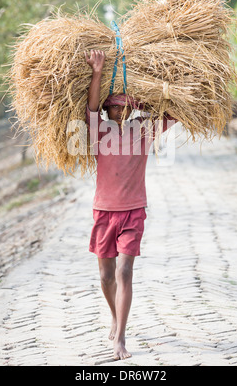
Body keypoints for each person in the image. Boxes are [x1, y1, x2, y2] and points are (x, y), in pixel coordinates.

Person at [84, 49, 178, 360]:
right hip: (103, 211)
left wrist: (161, 84)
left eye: (126, 108)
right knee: (105, 277)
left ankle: (120, 338)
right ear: (107, 112)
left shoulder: (143, 131)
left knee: (124, 272)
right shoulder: (99, 133)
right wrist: (97, 72)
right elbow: (91, 107)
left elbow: (175, 112)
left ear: (134, 111)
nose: (119, 112)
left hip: (133, 211)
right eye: (114, 107)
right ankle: (114, 315)